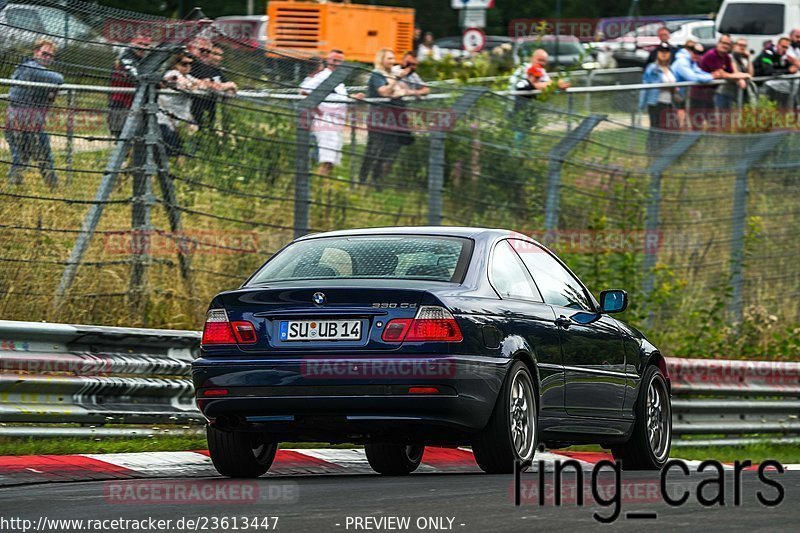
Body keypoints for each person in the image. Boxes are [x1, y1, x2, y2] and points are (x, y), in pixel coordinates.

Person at [5, 39, 64, 187]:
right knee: (33, 158)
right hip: (22, 122)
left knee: (28, 158)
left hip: (27, 122)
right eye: (45, 53)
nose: (48, 57)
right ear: (36, 52)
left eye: (51, 55)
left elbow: (51, 94)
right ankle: (51, 188)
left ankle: (15, 188)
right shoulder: (31, 68)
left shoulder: (32, 70)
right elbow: (58, 78)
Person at [299, 49, 364, 180]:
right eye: (334, 60)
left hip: (337, 123)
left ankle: (324, 184)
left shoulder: (338, 80)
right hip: (325, 122)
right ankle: (319, 184)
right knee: (327, 159)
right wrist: (315, 106)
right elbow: (303, 90)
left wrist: (353, 97)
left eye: (340, 61)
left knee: (332, 159)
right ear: (328, 61)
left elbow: (338, 97)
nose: (337, 64)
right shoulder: (324, 75)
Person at [358, 48, 410, 188]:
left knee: (386, 151)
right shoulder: (377, 75)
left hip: (392, 118)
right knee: (373, 150)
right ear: (382, 60)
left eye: (393, 58)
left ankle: (376, 180)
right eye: (389, 58)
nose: (393, 61)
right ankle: (361, 180)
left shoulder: (392, 73)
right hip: (378, 117)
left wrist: (400, 81)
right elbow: (384, 92)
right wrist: (395, 81)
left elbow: (403, 91)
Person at [157, 54, 209, 155]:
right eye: (184, 64)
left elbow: (203, 85)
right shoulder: (172, 74)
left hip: (180, 121)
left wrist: (200, 84)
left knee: (183, 151)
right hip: (164, 121)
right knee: (168, 152)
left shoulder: (188, 76)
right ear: (175, 65)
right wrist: (195, 85)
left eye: (190, 64)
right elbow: (183, 84)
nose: (188, 66)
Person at [108, 33, 152, 138]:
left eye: (146, 45)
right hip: (121, 102)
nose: (142, 47)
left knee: (139, 137)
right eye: (140, 44)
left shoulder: (147, 59)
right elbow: (135, 75)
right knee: (122, 137)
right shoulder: (125, 56)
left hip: (137, 102)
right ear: (132, 44)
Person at [188, 38, 237, 131]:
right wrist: (224, 86)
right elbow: (209, 85)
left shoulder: (212, 69)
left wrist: (226, 86)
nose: (205, 53)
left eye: (208, 51)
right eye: (202, 50)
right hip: (190, 114)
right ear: (192, 49)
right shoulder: (188, 65)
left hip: (210, 113)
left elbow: (230, 86)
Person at [672, 42, 719, 129]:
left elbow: (699, 72)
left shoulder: (692, 62)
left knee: (682, 124)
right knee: (674, 125)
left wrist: (713, 75)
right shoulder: (682, 62)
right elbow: (692, 77)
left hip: (681, 95)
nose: (697, 55)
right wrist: (712, 76)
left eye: (700, 53)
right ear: (690, 51)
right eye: (695, 51)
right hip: (673, 95)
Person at [640, 42, 676, 150]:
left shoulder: (670, 69)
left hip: (668, 102)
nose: (664, 54)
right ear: (657, 53)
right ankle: (652, 151)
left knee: (665, 128)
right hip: (656, 102)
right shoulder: (652, 68)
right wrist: (642, 104)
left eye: (666, 52)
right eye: (661, 52)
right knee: (656, 128)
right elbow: (646, 84)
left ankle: (662, 150)